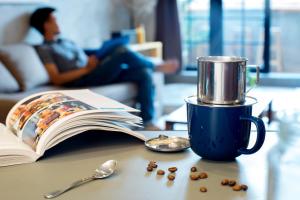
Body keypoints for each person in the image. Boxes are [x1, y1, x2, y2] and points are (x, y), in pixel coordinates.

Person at [29, 7, 179, 130]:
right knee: (122, 50)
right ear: (45, 25)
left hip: (94, 70)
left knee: (143, 72)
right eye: (54, 20)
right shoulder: (44, 49)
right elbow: (56, 78)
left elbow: (83, 57)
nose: (58, 23)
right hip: (82, 78)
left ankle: (147, 122)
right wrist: (87, 69)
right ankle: (156, 66)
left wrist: (93, 59)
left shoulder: (66, 42)